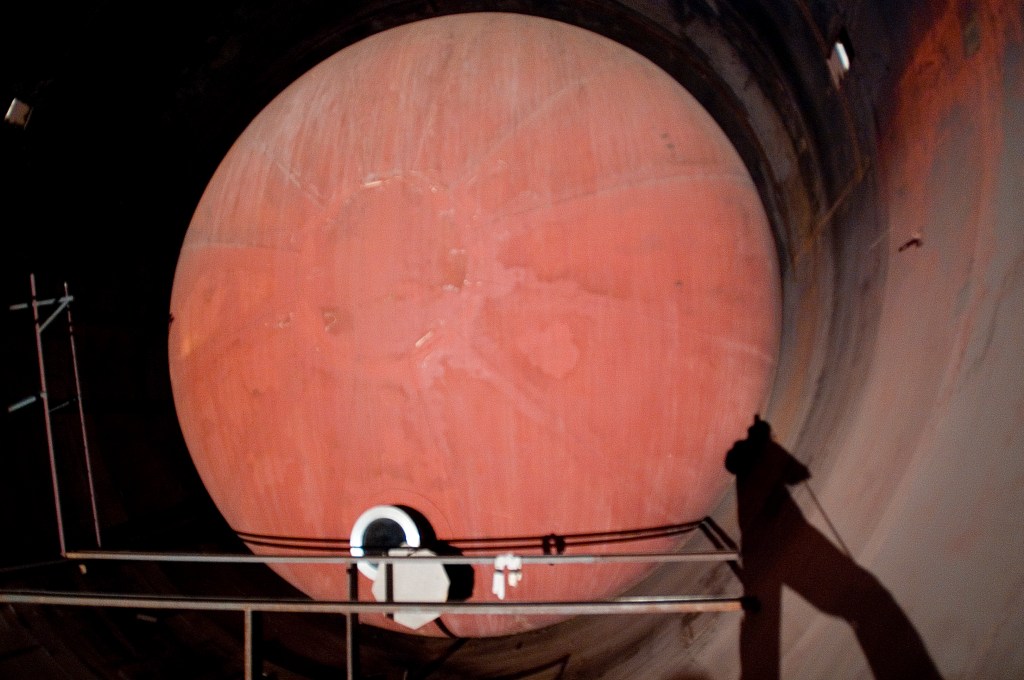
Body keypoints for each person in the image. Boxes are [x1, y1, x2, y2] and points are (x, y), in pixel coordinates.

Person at [726, 416, 942, 680]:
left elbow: (734, 463)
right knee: (867, 599)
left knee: (764, 628)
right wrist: (772, 448)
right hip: (789, 538)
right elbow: (799, 474)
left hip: (758, 547)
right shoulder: (768, 450)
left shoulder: (744, 459)